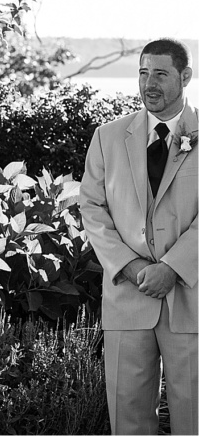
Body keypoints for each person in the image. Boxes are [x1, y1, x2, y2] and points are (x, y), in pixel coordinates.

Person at [80, 37, 197, 435]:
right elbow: (92, 207)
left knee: (194, 418)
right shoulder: (107, 137)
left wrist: (173, 267)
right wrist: (128, 266)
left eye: (161, 74)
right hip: (127, 299)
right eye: (143, 73)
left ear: (186, 76)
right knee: (127, 418)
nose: (149, 83)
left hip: (191, 299)